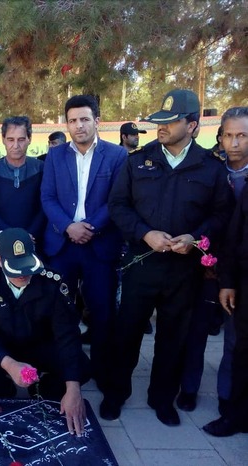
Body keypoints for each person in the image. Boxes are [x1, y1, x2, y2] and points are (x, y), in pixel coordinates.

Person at [103, 89, 234, 426]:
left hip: (183, 270)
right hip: (142, 263)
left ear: (192, 126)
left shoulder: (210, 168)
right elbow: (118, 205)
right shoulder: (138, 160)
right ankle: (116, 393)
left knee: (173, 338)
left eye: (171, 121)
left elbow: (221, 214)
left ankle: (161, 398)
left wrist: (196, 238)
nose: (161, 127)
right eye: (160, 121)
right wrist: (144, 233)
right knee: (127, 333)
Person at [0, 228, 90, 436]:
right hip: (1, 348)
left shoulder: (51, 281)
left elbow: (67, 334)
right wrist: (10, 364)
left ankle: (41, 390)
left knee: (82, 368)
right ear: (0, 260)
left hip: (39, 344)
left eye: (26, 266)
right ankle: (5, 392)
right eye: (16, 268)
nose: (23, 274)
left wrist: (73, 388)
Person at [41, 95, 127, 390]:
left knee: (102, 312)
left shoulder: (116, 155)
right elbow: (47, 197)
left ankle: (102, 371)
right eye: (73, 120)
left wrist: (89, 227)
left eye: (84, 119)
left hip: (98, 245)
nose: (79, 126)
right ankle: (66, 368)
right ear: (67, 124)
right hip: (62, 245)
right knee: (60, 310)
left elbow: (116, 199)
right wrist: (69, 227)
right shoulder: (55, 156)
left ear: (97, 121)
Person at [203, 112, 248, 436]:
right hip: (221, 269)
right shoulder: (213, 172)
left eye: (242, 136)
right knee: (233, 342)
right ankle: (229, 402)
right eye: (229, 135)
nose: (234, 143)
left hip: (237, 269)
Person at [0, 116, 46, 247]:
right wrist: (13, 236)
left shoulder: (41, 168)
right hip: (1, 242)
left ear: (29, 139)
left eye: (21, 139)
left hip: (36, 240)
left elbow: (45, 206)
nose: (16, 146)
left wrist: (29, 235)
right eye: (11, 139)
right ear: (3, 139)